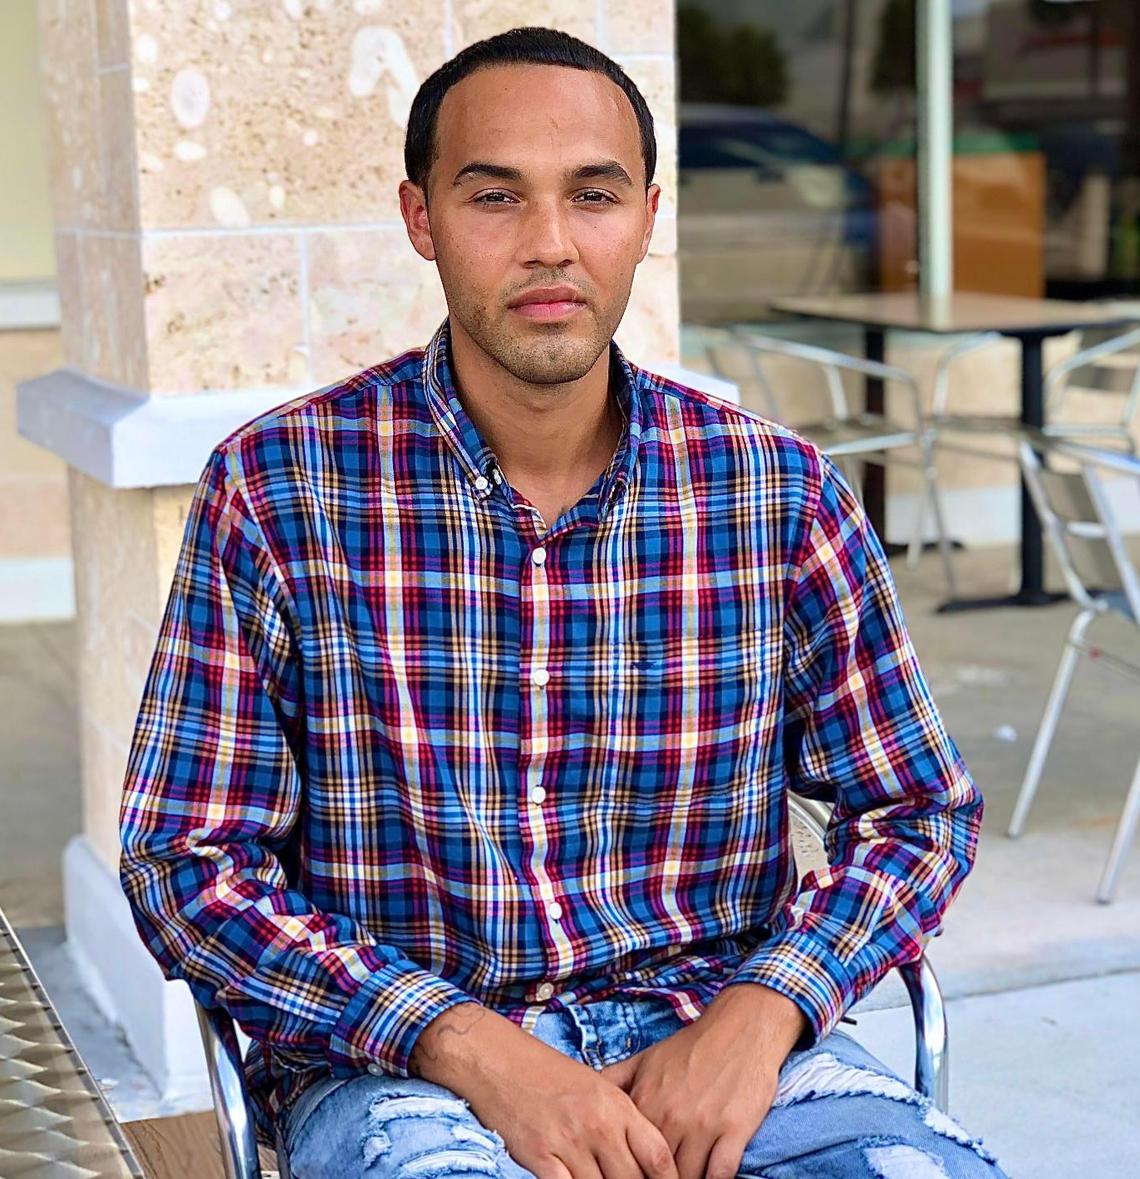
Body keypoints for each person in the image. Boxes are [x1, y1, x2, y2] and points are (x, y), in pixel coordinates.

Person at [119, 25, 1007, 1179]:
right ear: (420, 218)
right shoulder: (282, 491)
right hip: (407, 1077)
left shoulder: (775, 493)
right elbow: (188, 861)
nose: (550, 245)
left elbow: (918, 811)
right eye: (496, 198)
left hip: (728, 1057)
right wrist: (469, 1045)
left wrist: (766, 1011)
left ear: (647, 214)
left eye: (593, 195)